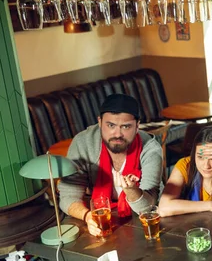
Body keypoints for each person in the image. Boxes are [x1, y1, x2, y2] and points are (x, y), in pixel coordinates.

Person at [58, 94, 163, 236]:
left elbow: (147, 208)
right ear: (100, 122)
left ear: (137, 126)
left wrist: (132, 191)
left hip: (140, 219)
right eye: (111, 125)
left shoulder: (150, 149)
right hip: (100, 216)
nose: (117, 134)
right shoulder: (83, 143)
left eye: (126, 127)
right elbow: (68, 195)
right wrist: (87, 216)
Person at [158, 126, 212, 217]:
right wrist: (209, 205)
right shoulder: (186, 165)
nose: (206, 166)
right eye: (200, 157)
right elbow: (163, 208)